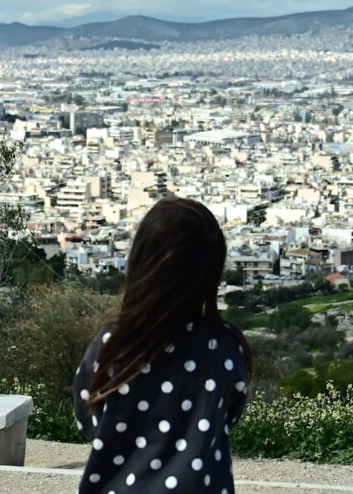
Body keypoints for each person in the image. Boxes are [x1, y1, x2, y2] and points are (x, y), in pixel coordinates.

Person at [73, 196, 252, 493]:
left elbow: (89, 419)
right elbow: (227, 418)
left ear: (140, 263)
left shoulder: (112, 346)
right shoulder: (225, 348)